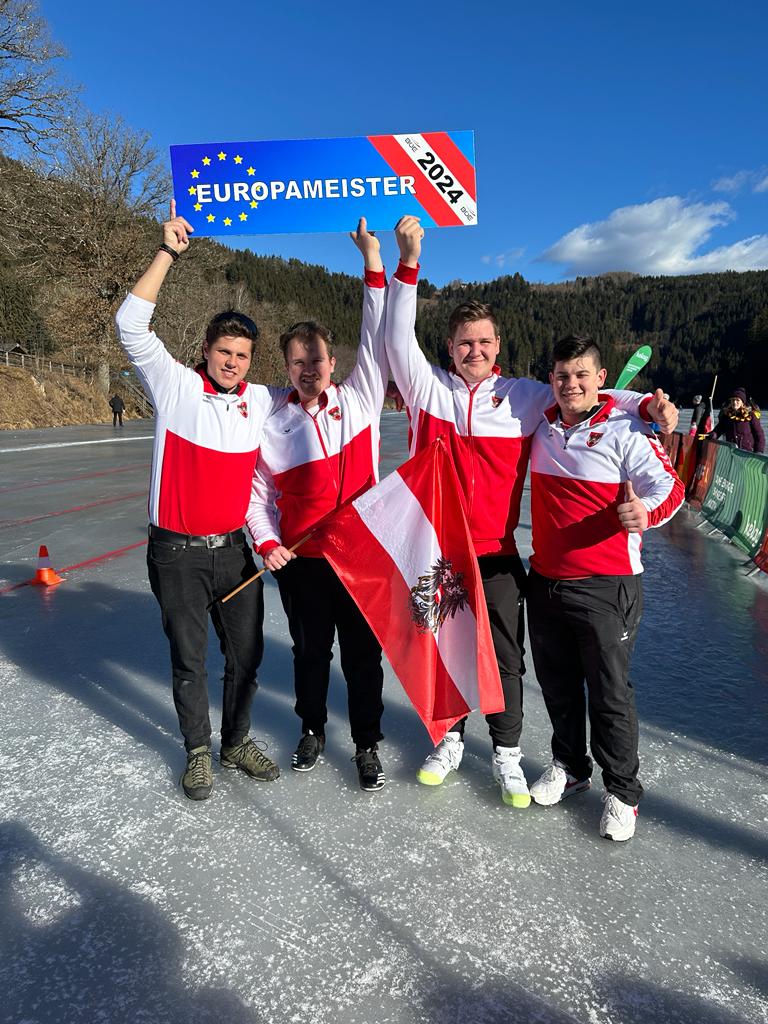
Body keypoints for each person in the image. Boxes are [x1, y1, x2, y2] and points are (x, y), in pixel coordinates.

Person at [385, 216, 679, 808]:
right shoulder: (428, 391)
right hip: (437, 553)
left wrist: (645, 401)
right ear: (450, 347)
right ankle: (447, 740)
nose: (475, 350)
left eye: (485, 342)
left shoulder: (523, 397)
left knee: (504, 658)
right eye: (464, 342)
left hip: (496, 554)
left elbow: (588, 392)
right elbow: (396, 342)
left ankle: (507, 753)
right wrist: (409, 261)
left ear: (499, 347)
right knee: (442, 650)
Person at [114, 201, 287, 801]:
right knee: (189, 661)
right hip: (177, 556)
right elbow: (131, 325)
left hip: (235, 554)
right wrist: (168, 252)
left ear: (250, 361)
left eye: (242, 355)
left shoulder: (261, 400)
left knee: (248, 658)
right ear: (207, 350)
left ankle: (236, 740)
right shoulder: (176, 385)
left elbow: (320, 387)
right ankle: (198, 750)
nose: (232, 363)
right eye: (223, 352)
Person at [246, 219, 389, 792]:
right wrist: (268, 542)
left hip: (362, 557)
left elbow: (379, 335)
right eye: (299, 363)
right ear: (286, 367)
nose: (310, 370)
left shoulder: (359, 400)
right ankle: (311, 729)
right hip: (304, 562)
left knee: (363, 659)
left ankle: (367, 744)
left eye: (319, 360)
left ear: (333, 362)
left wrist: (373, 264)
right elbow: (257, 496)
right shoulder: (272, 423)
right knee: (310, 654)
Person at [526, 335, 685, 840]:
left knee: (610, 693)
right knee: (557, 684)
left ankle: (622, 793)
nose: (570, 384)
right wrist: (638, 398)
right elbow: (619, 394)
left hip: (607, 585)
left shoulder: (626, 427)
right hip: (546, 579)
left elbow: (671, 488)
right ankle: (571, 768)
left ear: (599, 378)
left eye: (581, 375)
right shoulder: (543, 424)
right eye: (562, 375)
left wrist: (645, 512)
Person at [711, 388, 765, 453]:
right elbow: (718, 430)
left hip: (748, 452)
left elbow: (759, 434)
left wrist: (759, 451)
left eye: (737, 400)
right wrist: (712, 435)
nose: (734, 402)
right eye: (733, 400)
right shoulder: (727, 416)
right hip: (731, 452)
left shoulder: (750, 415)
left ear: (742, 402)